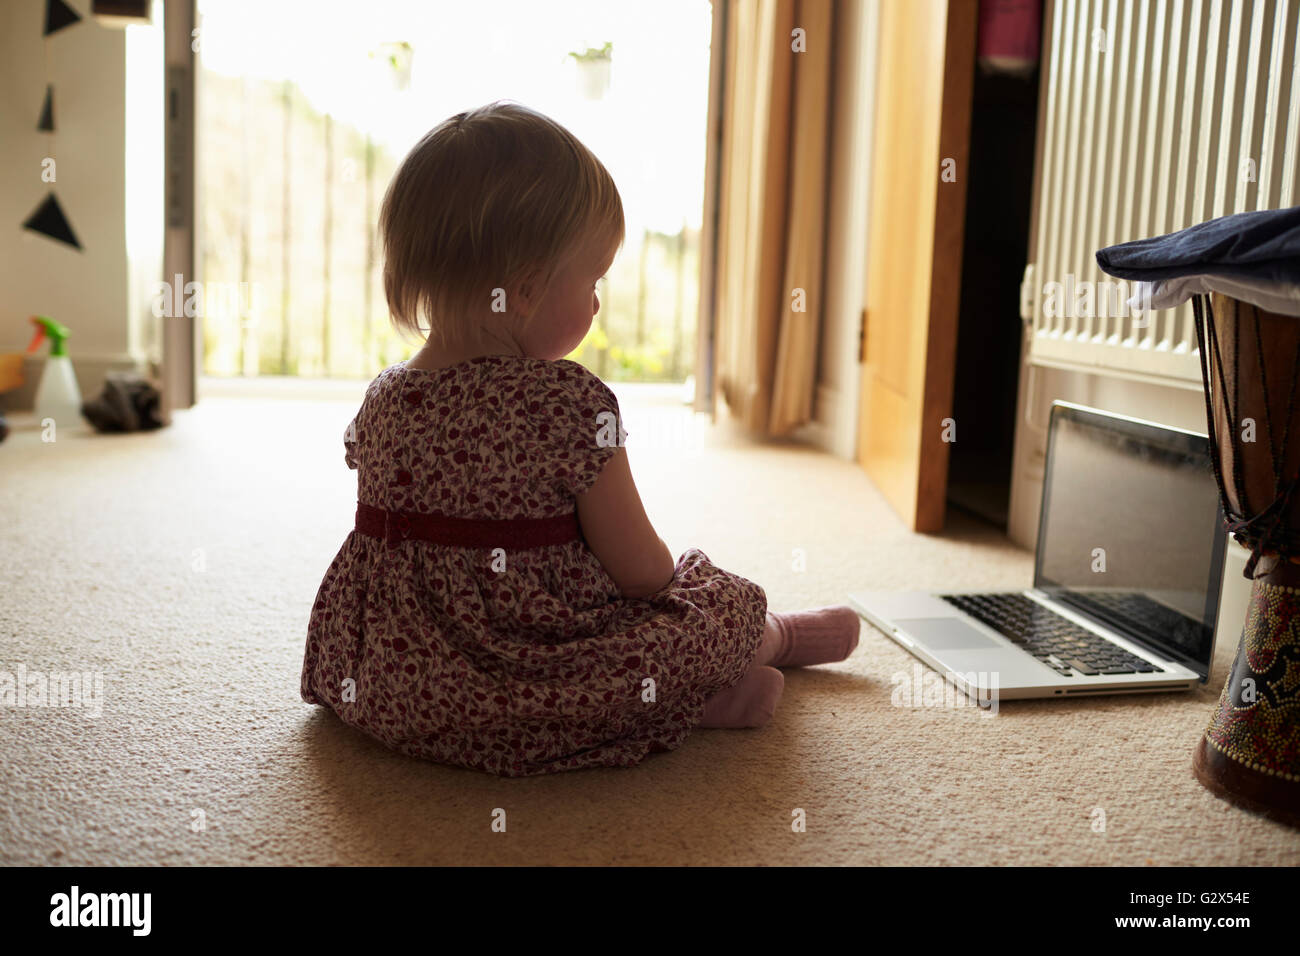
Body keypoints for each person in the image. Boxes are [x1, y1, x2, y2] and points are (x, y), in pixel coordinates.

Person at [300, 101, 860, 777]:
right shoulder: (569, 403)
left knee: (622, 652)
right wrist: (677, 578)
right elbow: (641, 569)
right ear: (529, 292)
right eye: (592, 281)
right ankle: (767, 645)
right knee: (712, 602)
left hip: (391, 688)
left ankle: (684, 699)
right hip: (538, 677)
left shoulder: (384, 399)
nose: (597, 302)